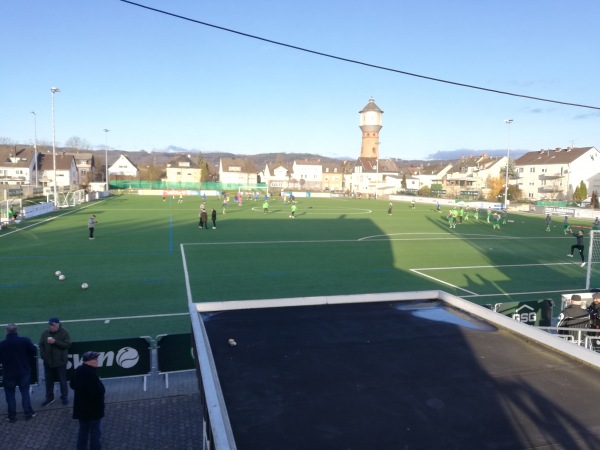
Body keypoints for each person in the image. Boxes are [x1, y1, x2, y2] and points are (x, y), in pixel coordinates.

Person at [0, 324, 36, 422]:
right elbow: (34, 351)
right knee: (25, 392)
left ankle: (12, 416)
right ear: (17, 331)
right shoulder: (25, 340)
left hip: (8, 374)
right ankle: (28, 413)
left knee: (10, 395)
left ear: (6, 332)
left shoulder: (1, 344)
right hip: (24, 372)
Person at [70, 351, 105, 450]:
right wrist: (101, 386)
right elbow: (98, 393)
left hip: (81, 409)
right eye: (95, 359)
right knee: (95, 432)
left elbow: (72, 385)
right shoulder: (92, 375)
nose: (97, 361)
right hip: (93, 411)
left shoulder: (78, 370)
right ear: (88, 361)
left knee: (83, 431)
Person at [39, 317, 71, 406]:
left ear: (57, 324)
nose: (51, 326)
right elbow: (41, 344)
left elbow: (67, 345)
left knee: (62, 380)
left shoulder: (64, 332)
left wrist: (55, 342)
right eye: (50, 325)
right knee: (49, 381)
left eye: (53, 325)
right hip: (48, 362)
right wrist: (43, 356)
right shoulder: (45, 333)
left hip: (60, 362)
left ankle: (64, 396)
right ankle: (49, 397)